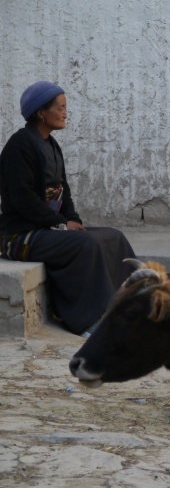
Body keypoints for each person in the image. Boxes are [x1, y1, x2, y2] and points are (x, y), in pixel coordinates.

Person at [0, 81, 135, 336]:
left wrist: (71, 218)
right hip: (20, 236)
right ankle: (91, 321)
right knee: (85, 244)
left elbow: (64, 192)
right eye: (60, 108)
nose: (65, 113)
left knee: (112, 237)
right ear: (41, 112)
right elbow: (23, 200)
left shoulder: (51, 145)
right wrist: (61, 224)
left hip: (48, 228)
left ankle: (130, 306)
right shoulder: (19, 146)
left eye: (65, 107)